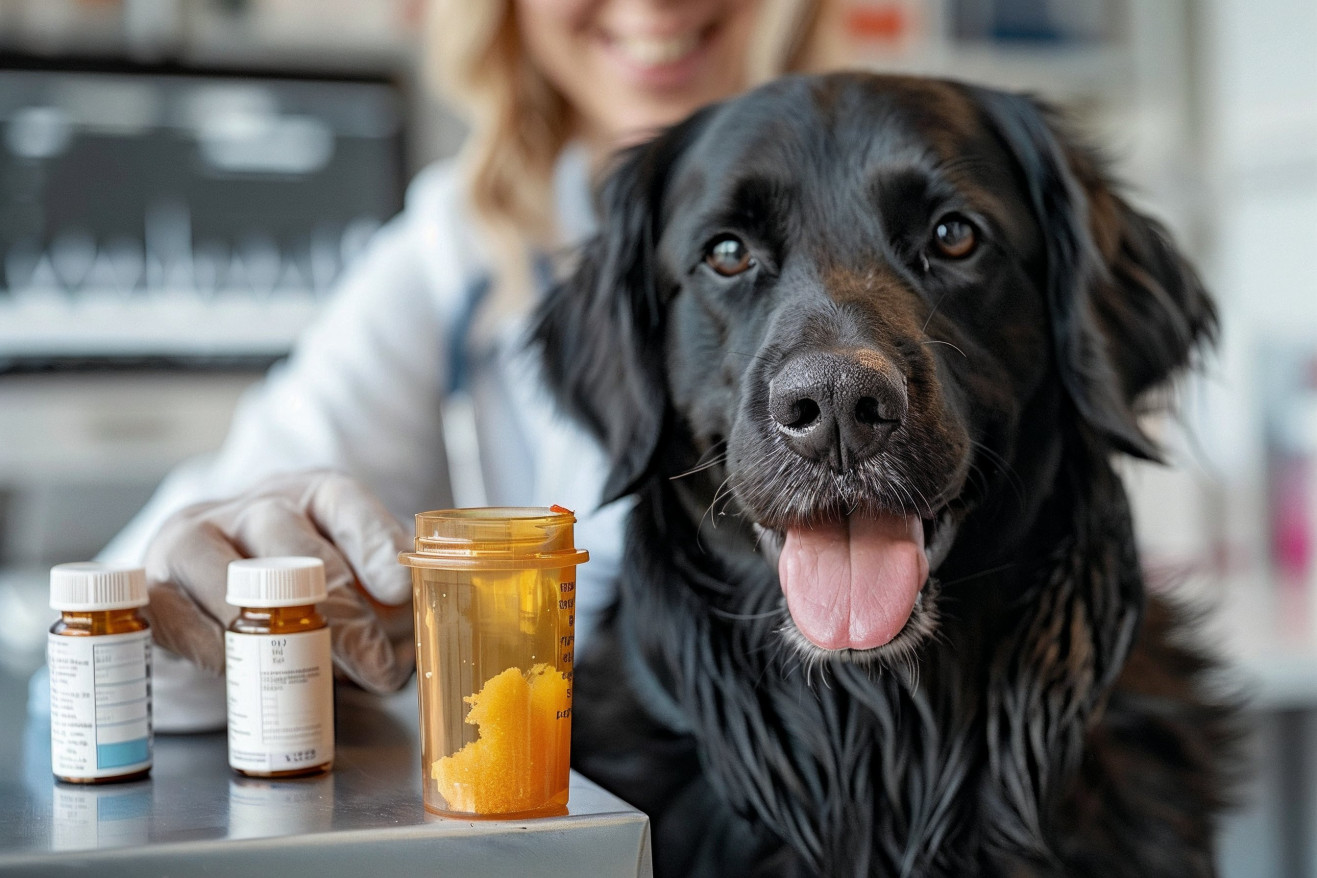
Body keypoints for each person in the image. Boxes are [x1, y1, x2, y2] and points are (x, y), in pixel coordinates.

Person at [100, 0, 847, 731]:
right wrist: (204, 588)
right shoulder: (458, 254)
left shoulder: (942, 158)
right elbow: (119, 664)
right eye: (724, 253)